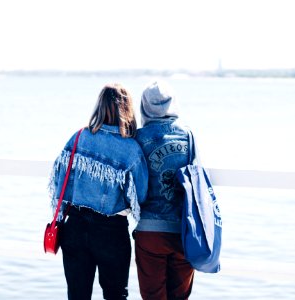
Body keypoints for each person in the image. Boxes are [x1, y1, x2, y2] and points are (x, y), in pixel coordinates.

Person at [48, 83, 148, 300]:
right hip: (111, 231)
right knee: (115, 295)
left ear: (99, 107)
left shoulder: (78, 138)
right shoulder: (131, 150)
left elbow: (59, 181)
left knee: (77, 295)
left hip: (74, 226)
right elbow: (140, 197)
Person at [134, 80, 195, 300]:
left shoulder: (138, 139)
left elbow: (135, 187)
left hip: (150, 232)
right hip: (184, 233)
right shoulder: (188, 137)